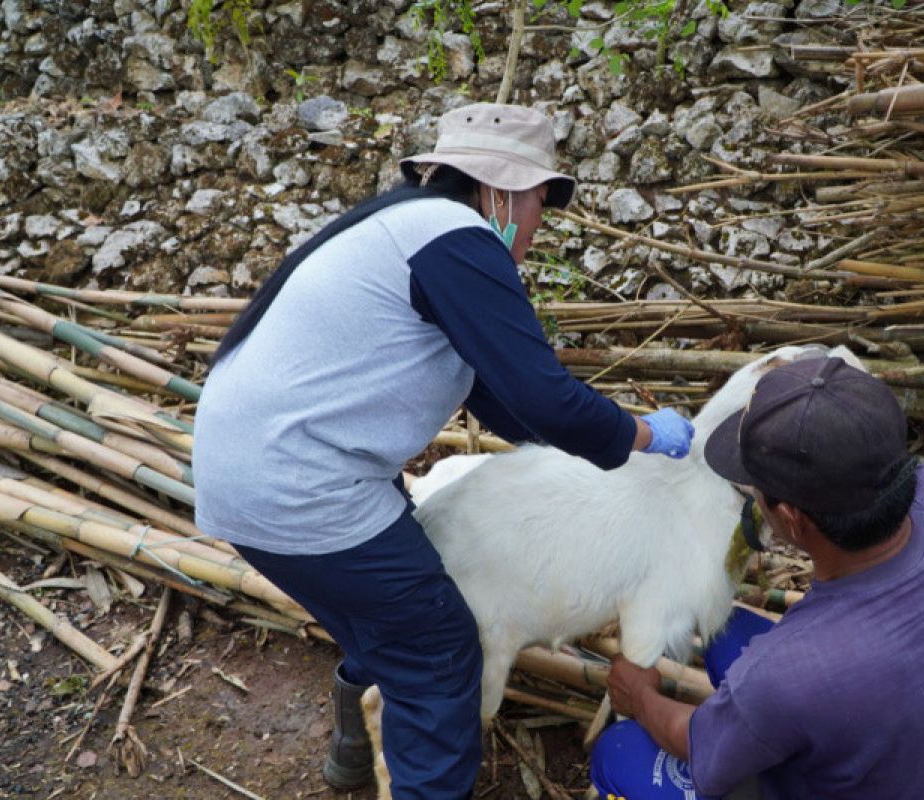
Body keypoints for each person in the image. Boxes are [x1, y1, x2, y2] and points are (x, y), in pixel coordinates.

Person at [192, 102, 695, 798]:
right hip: (301, 486)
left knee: (393, 613)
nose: (537, 225)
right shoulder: (456, 239)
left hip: (243, 476)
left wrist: (594, 450)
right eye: (542, 203)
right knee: (438, 651)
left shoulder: (405, 228)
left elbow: (505, 402)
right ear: (505, 191)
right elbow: (544, 396)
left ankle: (352, 740)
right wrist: (642, 436)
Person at [591, 356, 924, 800]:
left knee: (619, 754)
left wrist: (639, 698)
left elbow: (694, 744)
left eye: (752, 485)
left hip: (837, 718)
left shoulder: (789, 675)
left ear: (791, 518)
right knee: (728, 634)